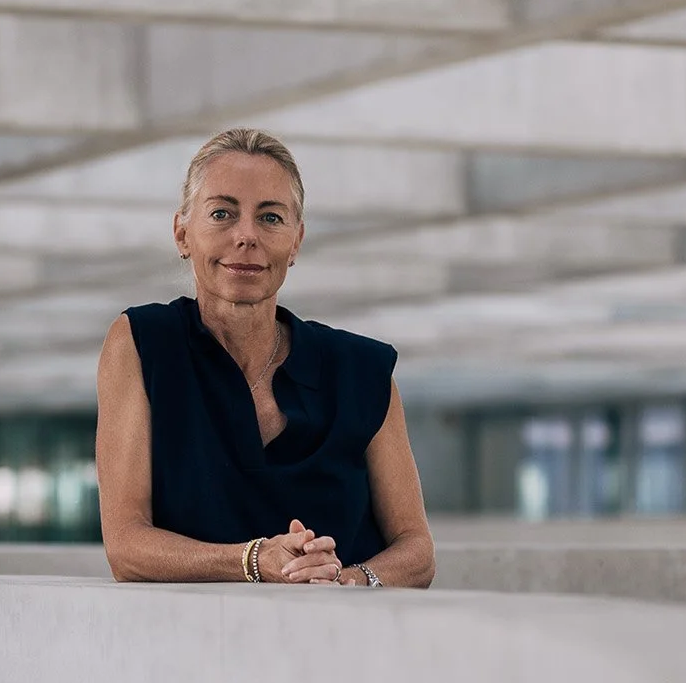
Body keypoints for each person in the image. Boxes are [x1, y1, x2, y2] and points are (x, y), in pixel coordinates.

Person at [96, 129, 436, 587]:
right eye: (222, 213)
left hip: (344, 642)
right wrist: (255, 560)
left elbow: (416, 550)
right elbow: (126, 547)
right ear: (182, 233)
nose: (247, 237)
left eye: (271, 218)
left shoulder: (361, 369)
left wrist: (349, 581)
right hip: (187, 648)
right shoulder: (141, 344)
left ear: (296, 241)